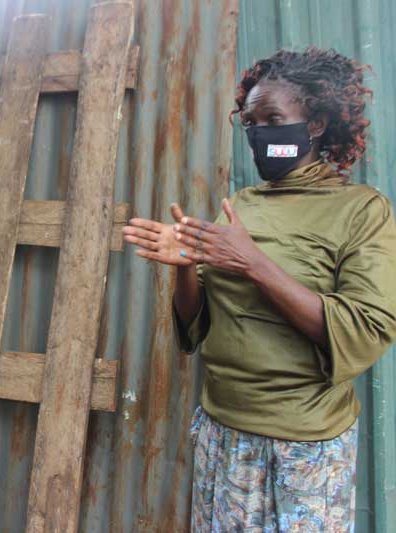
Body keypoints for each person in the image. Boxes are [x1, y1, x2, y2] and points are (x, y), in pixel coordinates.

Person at [123, 47, 396, 532]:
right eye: (250, 122)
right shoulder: (243, 205)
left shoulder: (361, 210)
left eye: (273, 119)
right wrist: (187, 266)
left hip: (304, 445)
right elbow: (198, 323)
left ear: (315, 124)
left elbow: (364, 329)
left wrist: (253, 264)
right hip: (224, 432)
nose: (259, 133)